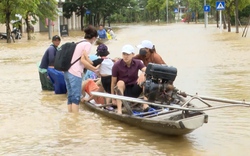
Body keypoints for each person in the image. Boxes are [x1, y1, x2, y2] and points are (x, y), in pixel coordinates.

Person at [64, 25, 98, 113]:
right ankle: (75, 119)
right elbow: (83, 60)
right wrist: (94, 69)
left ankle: (70, 116)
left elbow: (84, 58)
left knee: (70, 95)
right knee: (76, 96)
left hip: (67, 71)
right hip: (75, 72)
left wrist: (91, 64)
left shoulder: (79, 42)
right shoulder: (88, 44)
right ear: (94, 38)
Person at [111, 44, 150, 114]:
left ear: (133, 54)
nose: (125, 56)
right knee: (120, 82)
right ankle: (119, 110)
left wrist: (143, 73)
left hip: (134, 89)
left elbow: (146, 70)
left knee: (144, 78)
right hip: (123, 91)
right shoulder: (116, 65)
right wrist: (113, 98)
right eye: (124, 54)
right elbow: (113, 83)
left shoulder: (137, 62)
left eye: (128, 54)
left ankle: (145, 104)